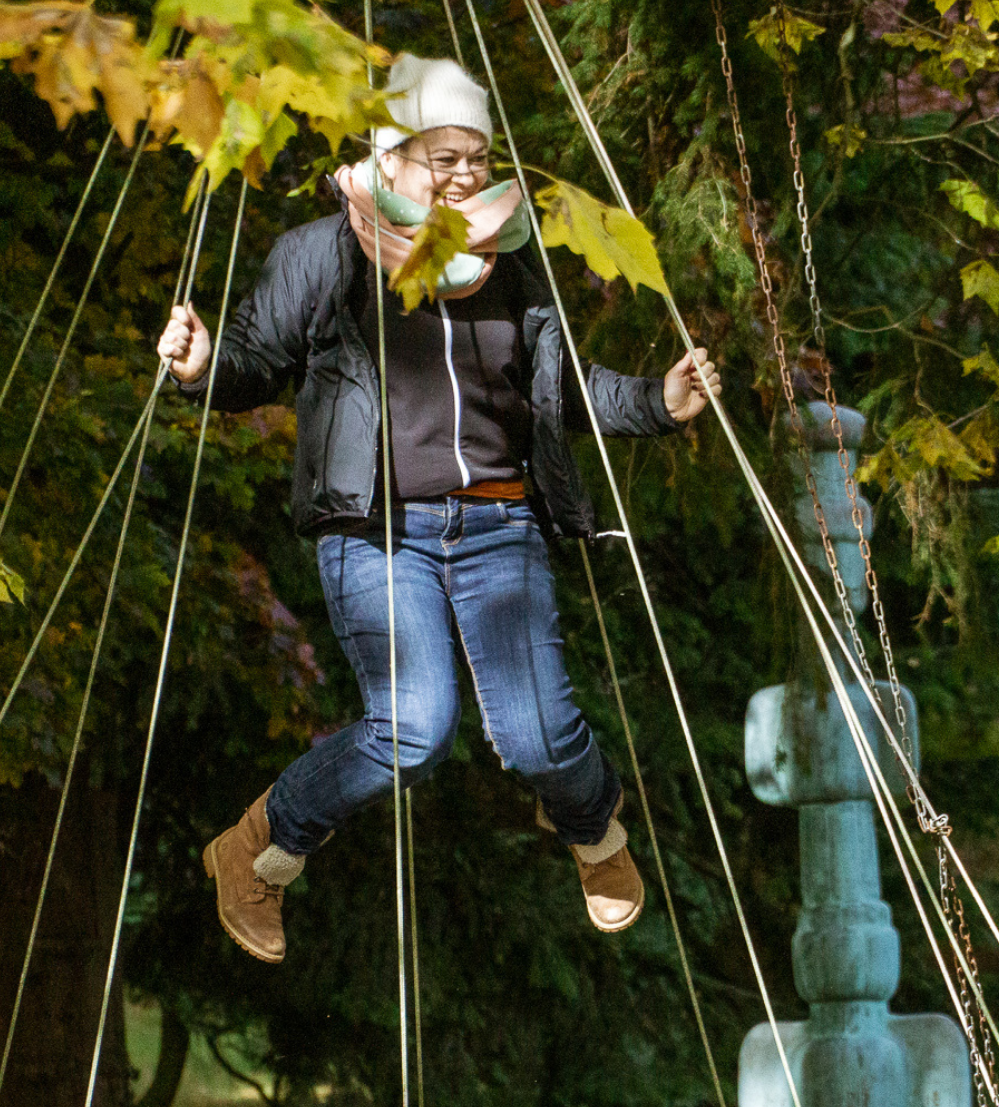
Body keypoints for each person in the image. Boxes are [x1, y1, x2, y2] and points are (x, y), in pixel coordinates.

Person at [157, 54, 719, 964]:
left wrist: (658, 399)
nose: (464, 175)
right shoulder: (327, 251)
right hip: (376, 533)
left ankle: (593, 832)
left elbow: (558, 390)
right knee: (413, 731)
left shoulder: (505, 260)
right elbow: (252, 363)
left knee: (540, 736)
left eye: (476, 156)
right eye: (442, 157)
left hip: (500, 524)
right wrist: (198, 365)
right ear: (392, 153)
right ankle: (259, 851)